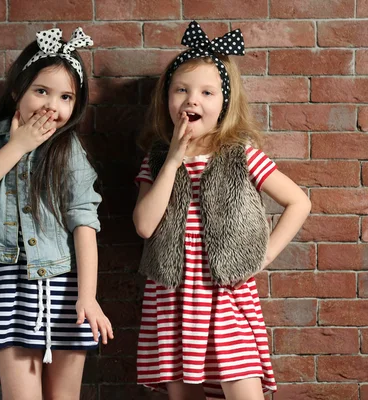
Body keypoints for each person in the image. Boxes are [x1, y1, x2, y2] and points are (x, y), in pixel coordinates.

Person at [133, 21, 311, 400]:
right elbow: (145, 226)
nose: (192, 99)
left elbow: (299, 202)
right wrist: (172, 162)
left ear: (224, 104)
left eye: (206, 92)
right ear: (167, 99)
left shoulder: (241, 153)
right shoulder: (157, 158)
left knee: (243, 389)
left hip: (227, 296)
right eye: (181, 89)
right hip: (174, 298)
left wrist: (263, 256)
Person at [0, 27, 113, 400]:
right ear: (16, 92)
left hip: (67, 283)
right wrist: (18, 145)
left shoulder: (68, 149)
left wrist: (87, 296)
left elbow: (84, 222)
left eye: (66, 96)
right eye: (41, 91)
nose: (52, 105)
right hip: (11, 280)